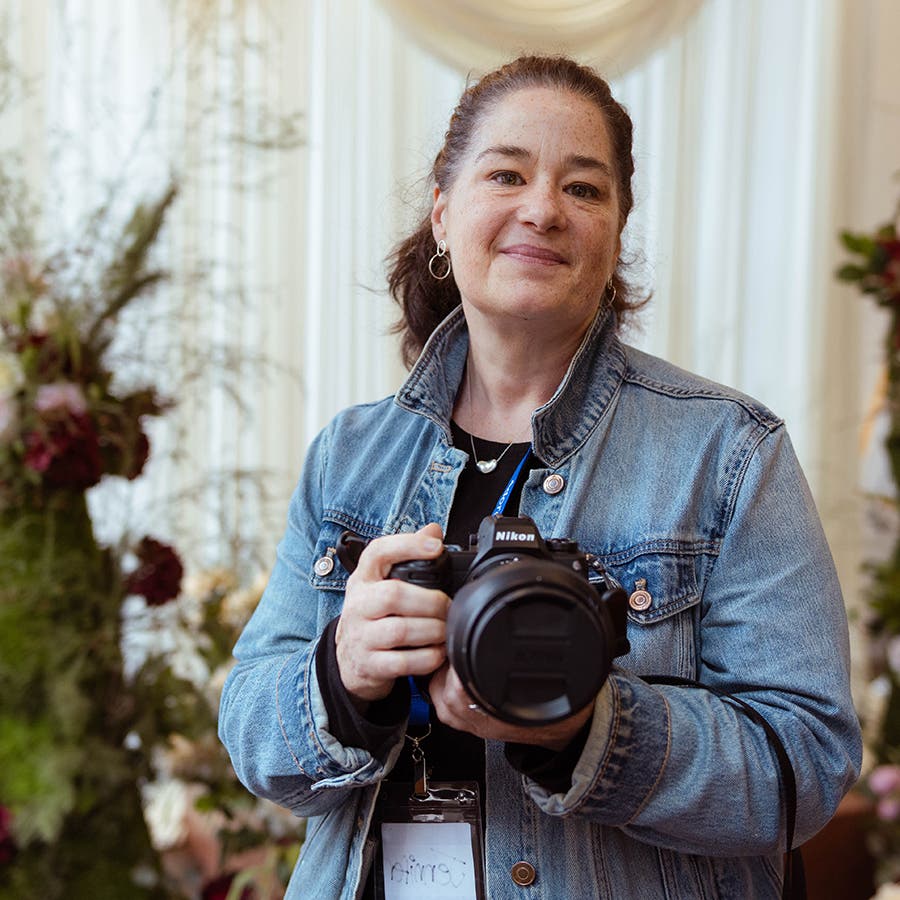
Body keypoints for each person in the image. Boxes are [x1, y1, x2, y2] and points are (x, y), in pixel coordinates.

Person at [218, 55, 861, 899]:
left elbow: (803, 768)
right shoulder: (350, 456)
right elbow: (253, 739)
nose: (543, 209)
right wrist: (341, 677)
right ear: (444, 216)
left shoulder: (728, 452)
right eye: (507, 173)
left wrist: (589, 730)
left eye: (584, 189)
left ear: (616, 232)